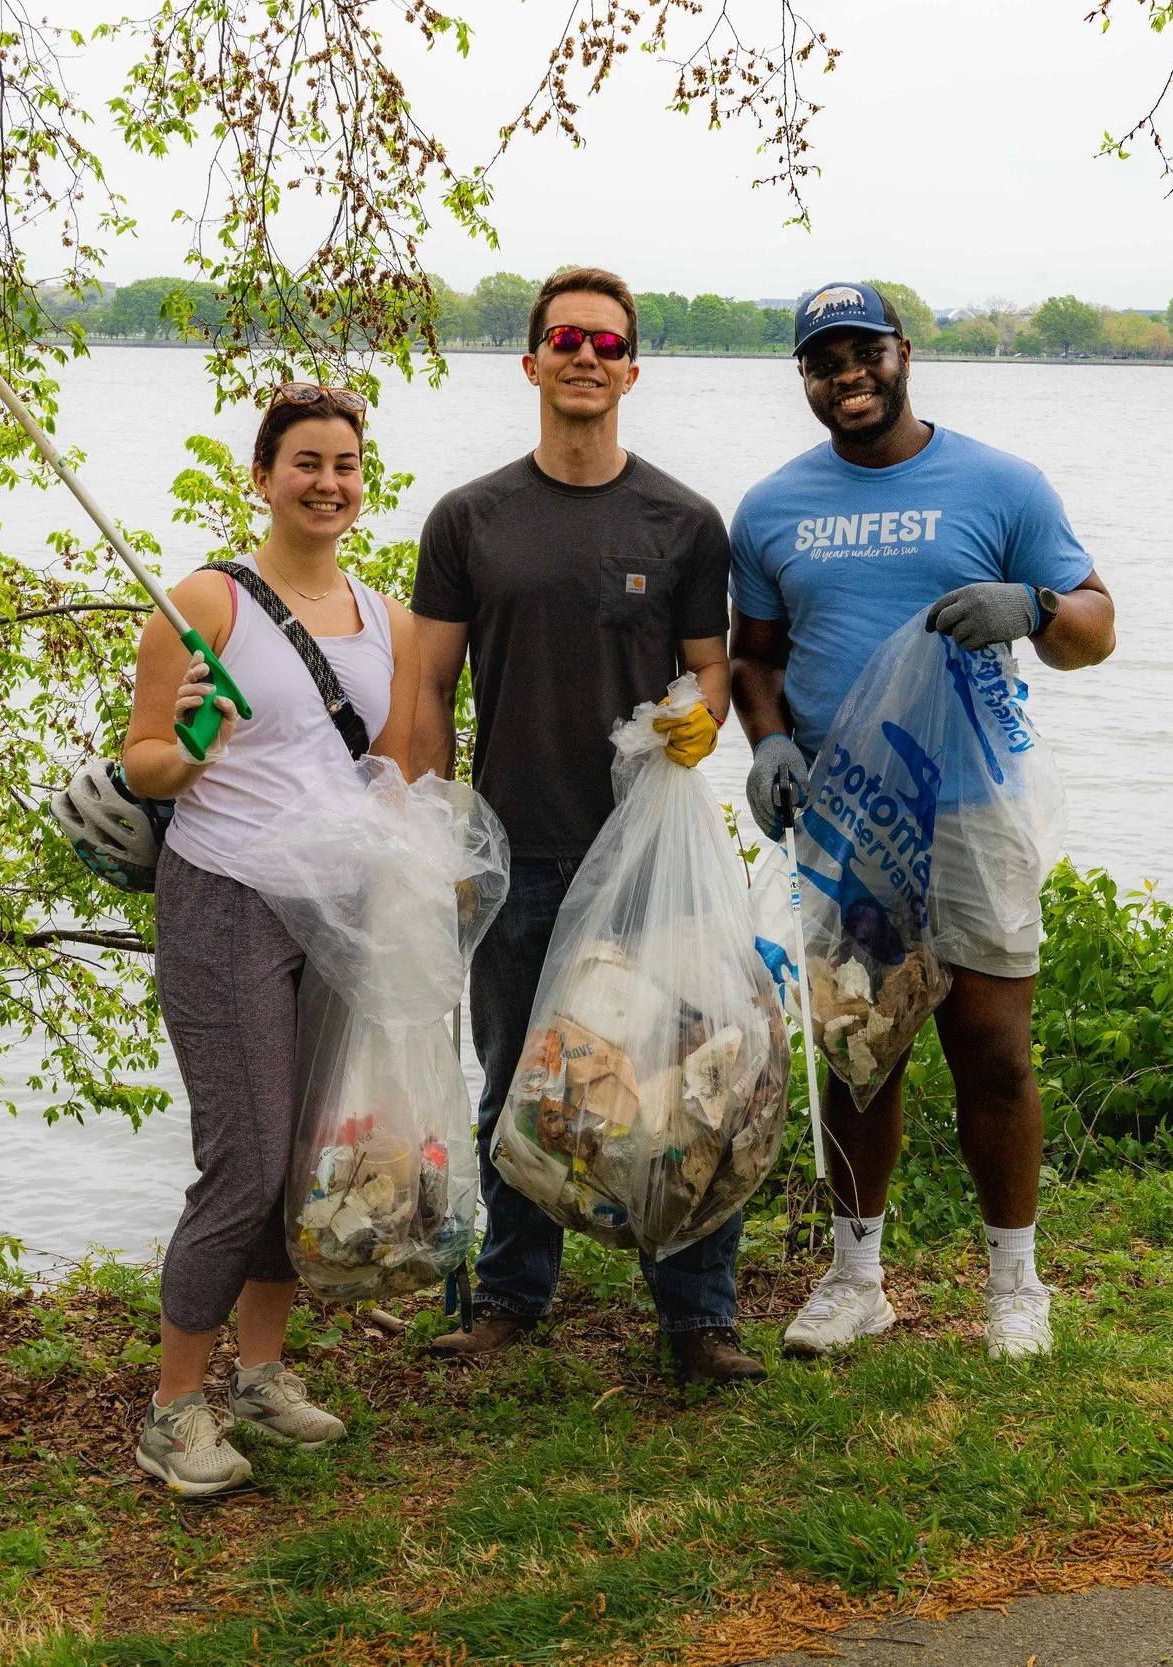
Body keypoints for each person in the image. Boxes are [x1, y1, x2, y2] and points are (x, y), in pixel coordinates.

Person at [728, 282, 1118, 1361]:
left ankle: (1013, 1284)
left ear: (902, 353)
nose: (845, 374)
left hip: (975, 807)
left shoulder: (999, 484)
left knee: (991, 1047)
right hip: (846, 823)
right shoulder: (769, 508)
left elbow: (1096, 626)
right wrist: (764, 742)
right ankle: (858, 1278)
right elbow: (752, 654)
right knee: (860, 1052)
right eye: (821, 360)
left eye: (863, 352)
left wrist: (1032, 609)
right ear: (802, 378)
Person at [410, 267, 764, 1385]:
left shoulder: (683, 521)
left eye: (606, 344)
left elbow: (714, 673)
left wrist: (697, 722)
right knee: (518, 1078)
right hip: (515, 850)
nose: (584, 356)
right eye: (564, 338)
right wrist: (431, 835)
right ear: (530, 362)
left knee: (684, 1074)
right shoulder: (470, 518)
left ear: (631, 370)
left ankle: (697, 1316)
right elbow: (423, 690)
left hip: (649, 861)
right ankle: (513, 1295)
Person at [118, 383, 422, 1496]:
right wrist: (195, 744)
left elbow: (378, 771)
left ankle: (260, 1373)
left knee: (300, 1160)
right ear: (262, 476)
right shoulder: (204, 602)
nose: (327, 482)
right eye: (305, 461)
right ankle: (169, 1410)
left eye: (345, 463)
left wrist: (401, 883)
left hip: (332, 904)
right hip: (227, 894)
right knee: (241, 1159)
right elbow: (144, 762)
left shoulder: (382, 616)